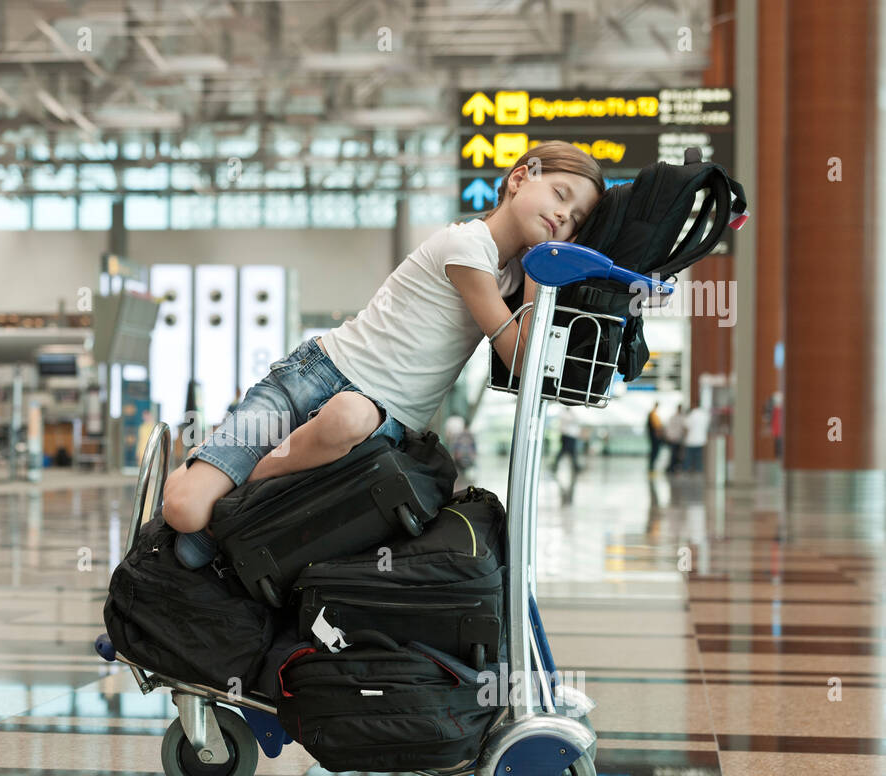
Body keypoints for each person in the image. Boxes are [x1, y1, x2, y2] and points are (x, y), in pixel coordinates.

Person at [162, 140, 604, 568]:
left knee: (348, 416)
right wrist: (542, 270)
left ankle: (236, 494)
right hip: (312, 375)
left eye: (575, 220)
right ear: (519, 179)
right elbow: (523, 359)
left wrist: (535, 270)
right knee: (183, 510)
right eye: (559, 194)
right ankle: (218, 481)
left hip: (373, 418)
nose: (563, 215)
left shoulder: (509, 276)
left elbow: (525, 365)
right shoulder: (467, 248)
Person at [553, 405, 582, 475]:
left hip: (572, 436)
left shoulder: (571, 413)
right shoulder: (563, 413)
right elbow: (569, 421)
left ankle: (575, 466)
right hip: (567, 435)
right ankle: (554, 465)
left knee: (572, 451)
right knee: (564, 450)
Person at [683, 404, 710, 473]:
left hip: (691, 440)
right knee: (699, 457)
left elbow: (686, 427)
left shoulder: (691, 415)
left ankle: (687, 469)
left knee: (689, 456)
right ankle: (698, 469)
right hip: (701, 439)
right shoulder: (705, 415)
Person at [664, 403, 687, 474]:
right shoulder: (677, 417)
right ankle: (671, 467)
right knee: (674, 454)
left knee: (675, 454)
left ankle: (672, 467)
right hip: (674, 438)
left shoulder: (679, 417)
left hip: (676, 438)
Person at [646, 402, 664, 475]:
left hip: (653, 436)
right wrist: (658, 434)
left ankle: (652, 465)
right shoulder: (653, 414)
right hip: (654, 436)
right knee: (654, 450)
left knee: (654, 450)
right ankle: (651, 465)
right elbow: (656, 427)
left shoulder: (653, 413)